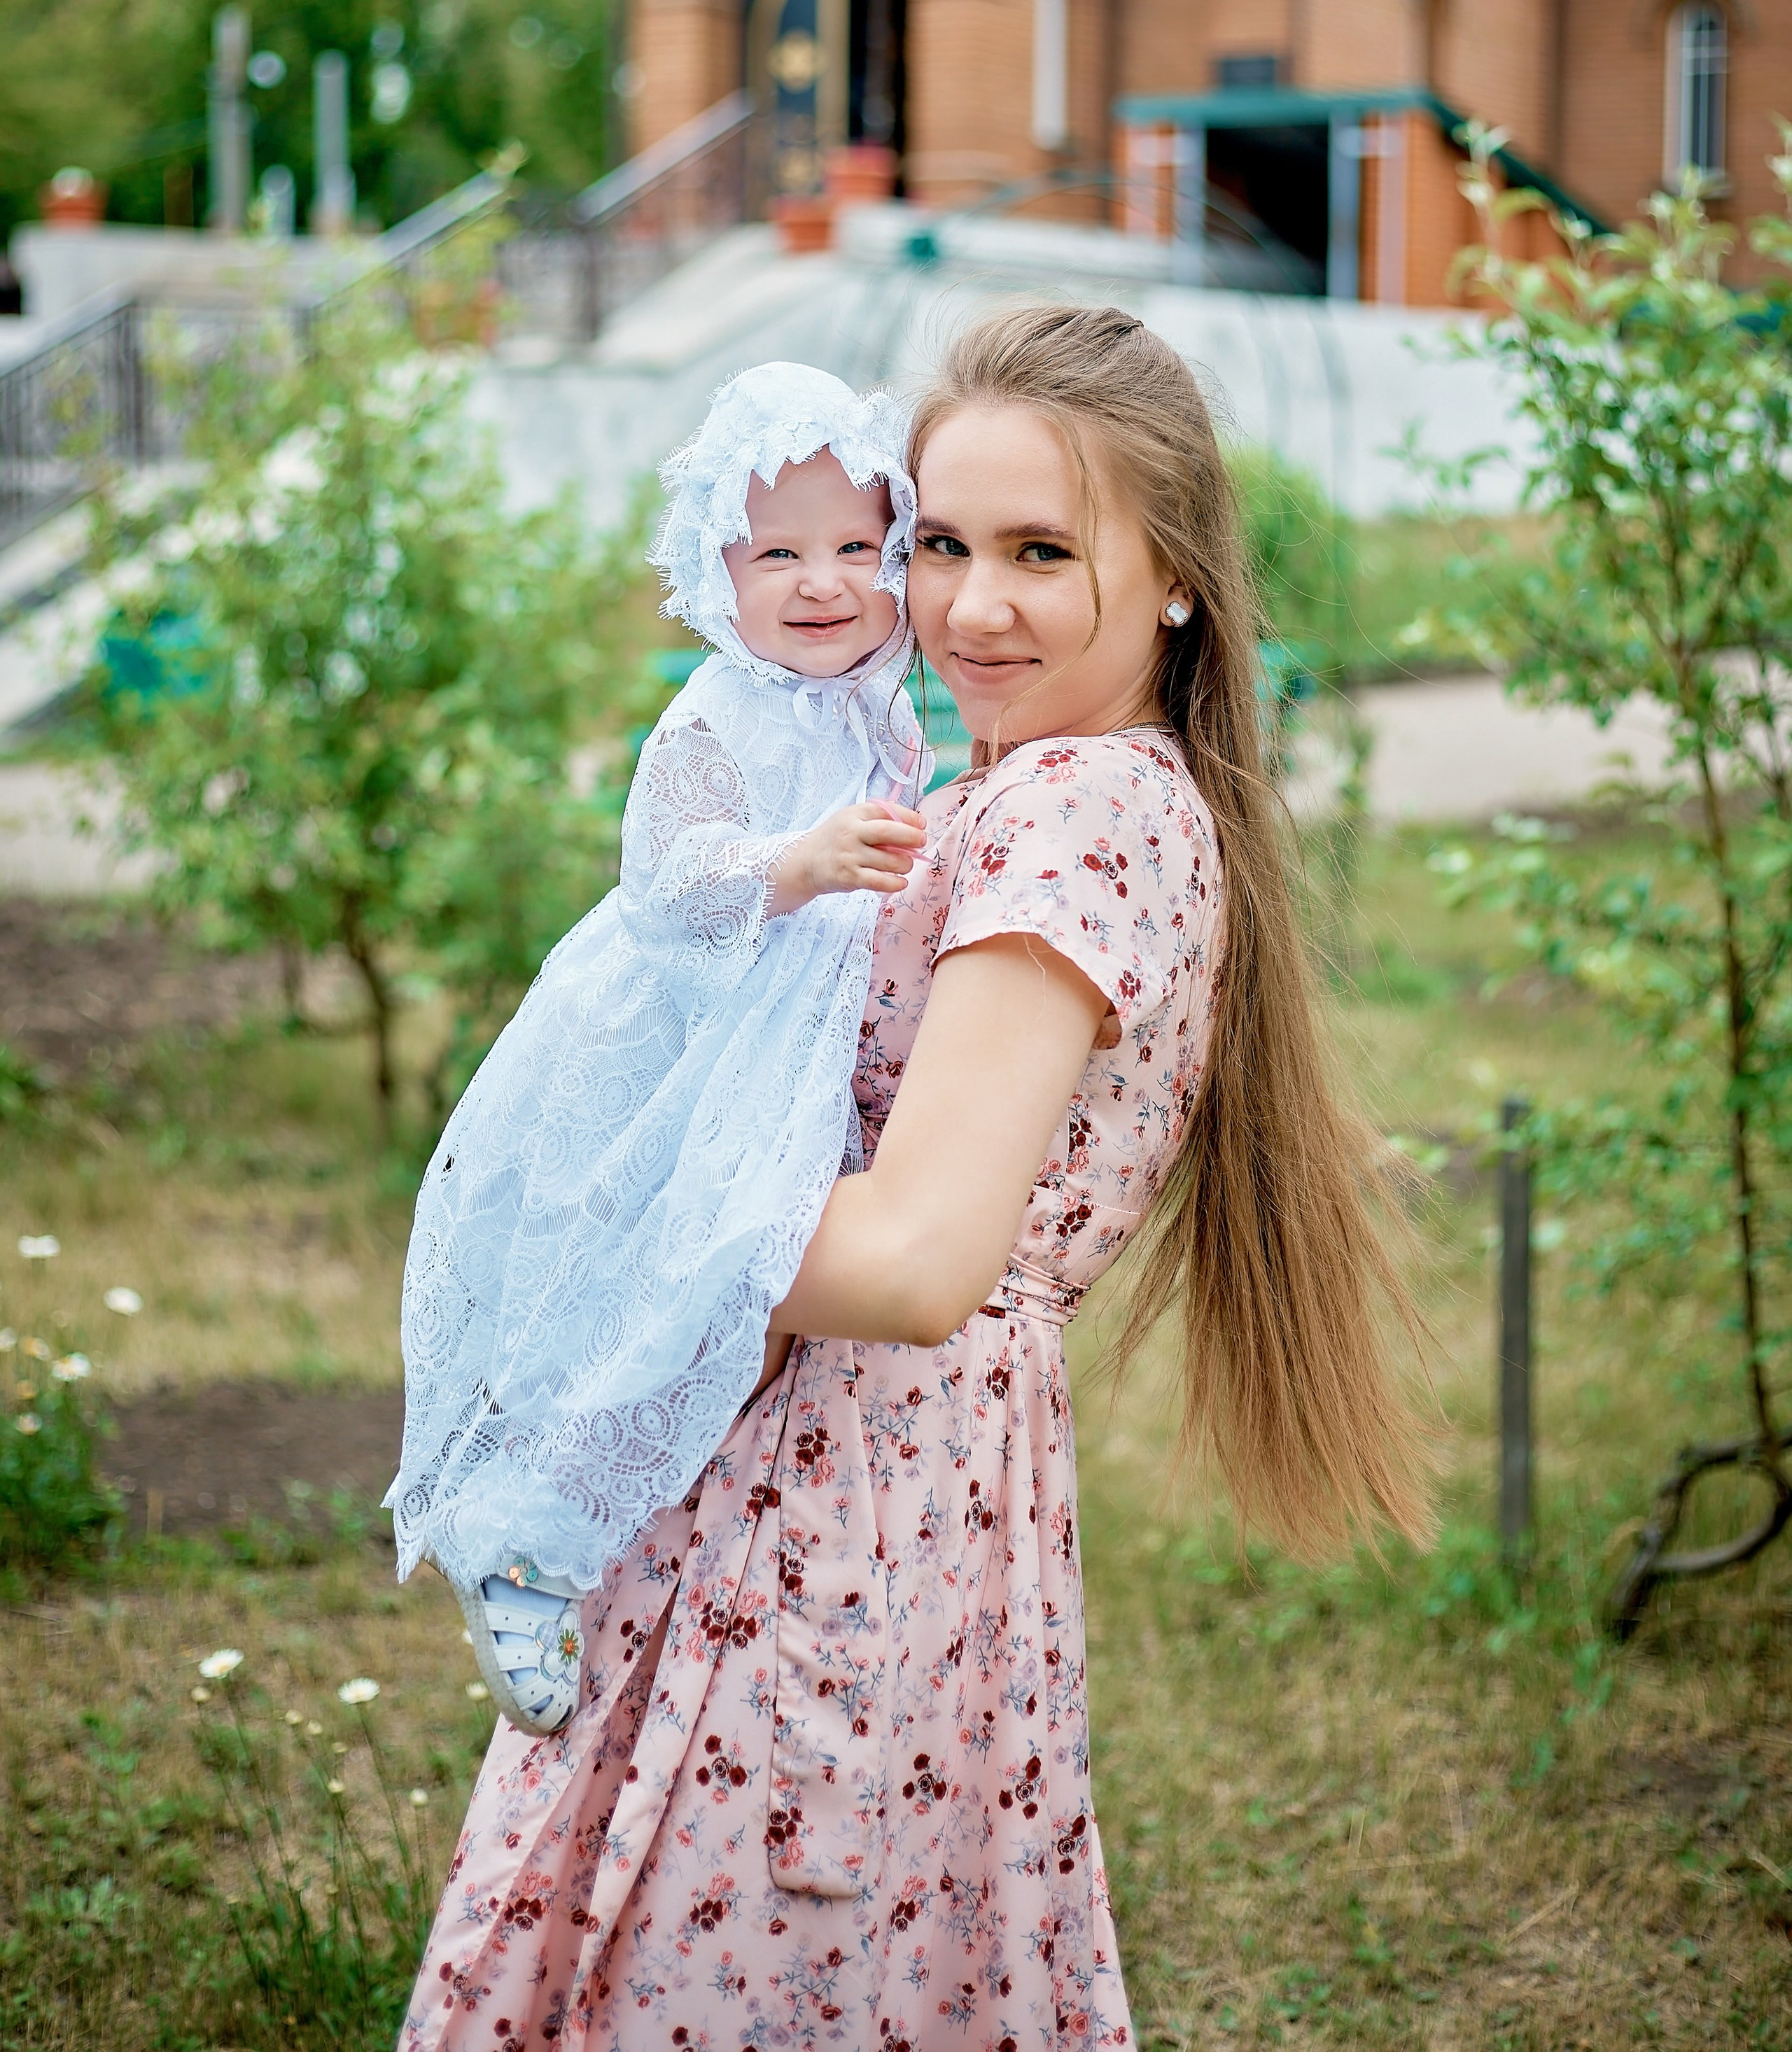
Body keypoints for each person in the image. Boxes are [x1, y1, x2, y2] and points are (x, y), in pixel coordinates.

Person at [404, 304, 1430, 2050]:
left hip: (853, 1499)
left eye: (1041, 551)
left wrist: (577, 1213)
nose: (966, 606)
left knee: (735, 1973)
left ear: (1175, 575)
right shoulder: (988, 787)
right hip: (833, 1476)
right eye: (935, 542)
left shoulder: (1079, 815)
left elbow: (913, 1262)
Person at [388, 363, 927, 1734]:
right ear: (714, 568)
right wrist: (796, 861)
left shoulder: (881, 704)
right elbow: (665, 880)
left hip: (788, 1041)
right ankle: (531, 1540)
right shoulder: (721, 712)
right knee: (662, 1274)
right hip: (679, 1041)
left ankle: (648, 1510)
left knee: (744, 1298)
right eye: (778, 554)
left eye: (859, 549)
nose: (823, 583)